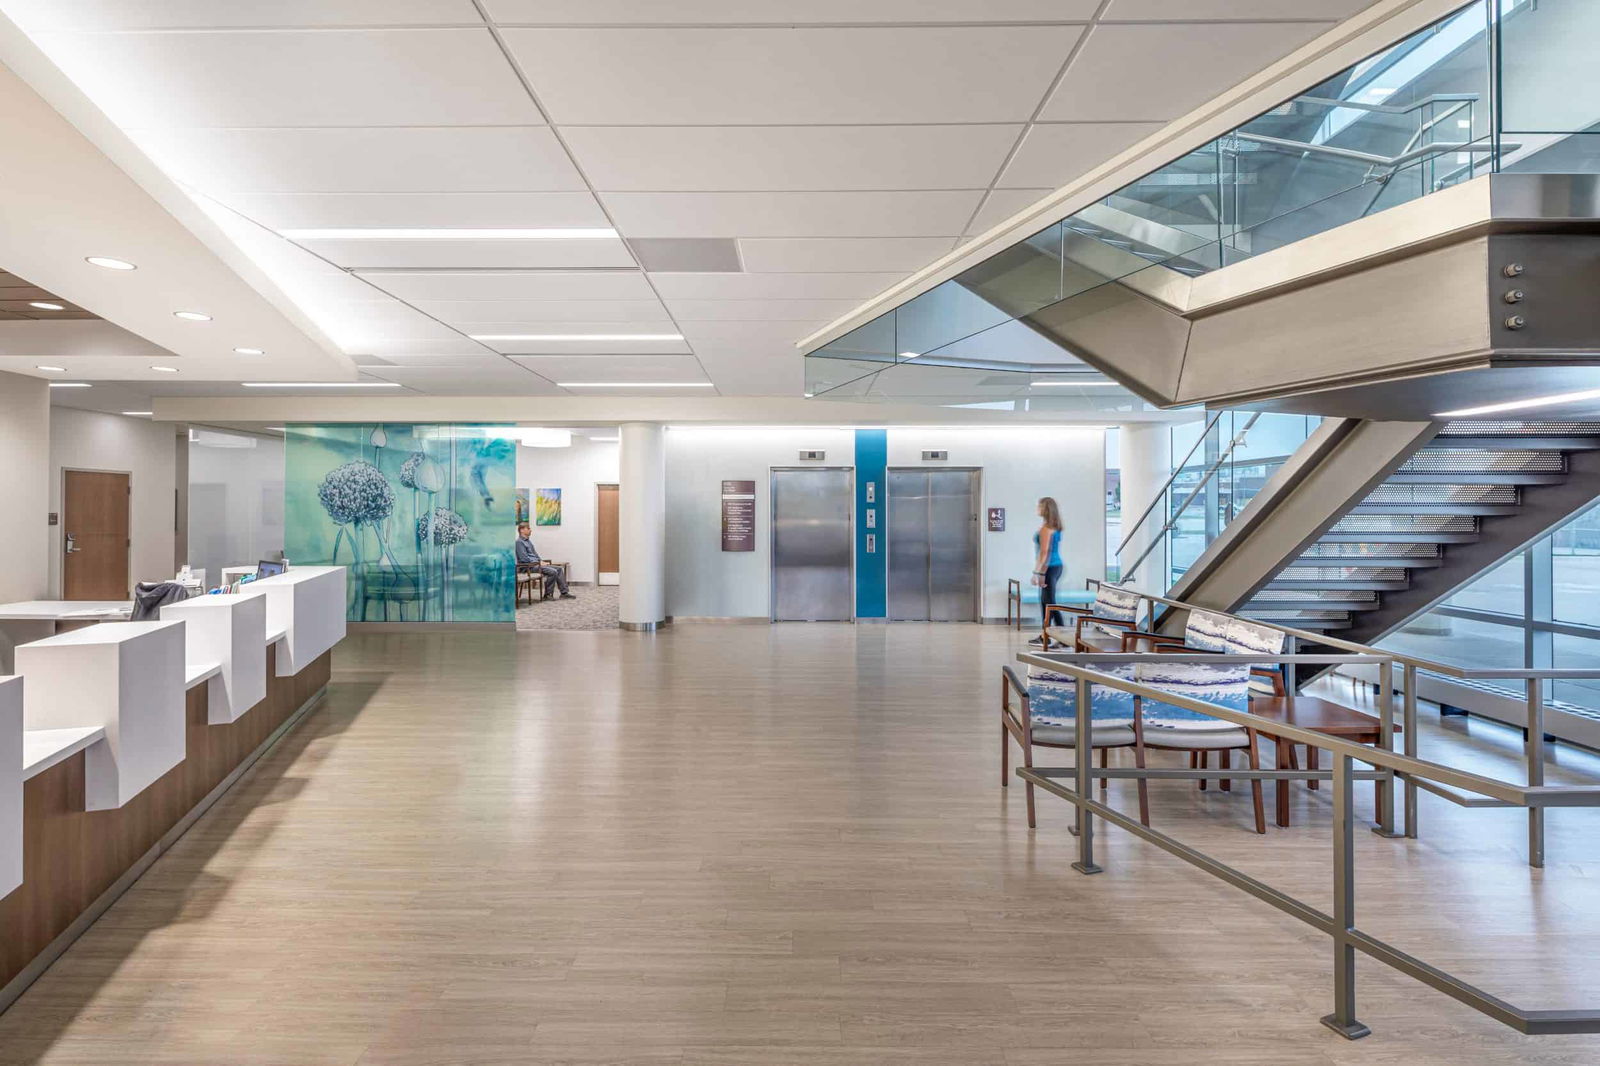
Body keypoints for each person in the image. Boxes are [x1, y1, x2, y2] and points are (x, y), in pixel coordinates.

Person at [1027, 497, 1064, 648]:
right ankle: (1045, 636)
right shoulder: (1053, 527)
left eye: (1039, 506)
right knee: (1045, 602)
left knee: (1049, 604)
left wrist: (1038, 573)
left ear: (1045, 509)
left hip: (1049, 568)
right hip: (1054, 567)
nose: (1037, 508)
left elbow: (1045, 553)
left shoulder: (1046, 529)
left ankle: (1063, 639)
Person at [515, 522, 575, 600]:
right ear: (522, 530)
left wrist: (541, 561)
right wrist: (539, 563)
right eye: (528, 528)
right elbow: (524, 559)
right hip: (528, 567)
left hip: (536, 565)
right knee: (553, 571)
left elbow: (535, 555)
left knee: (559, 569)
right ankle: (547, 595)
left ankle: (564, 593)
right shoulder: (519, 542)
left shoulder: (528, 541)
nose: (531, 530)